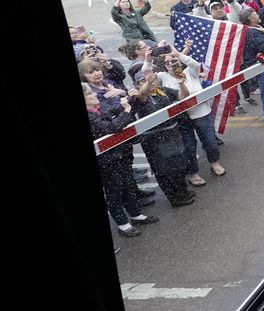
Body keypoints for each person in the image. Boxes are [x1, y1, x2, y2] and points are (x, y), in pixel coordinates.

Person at [83, 83, 159, 237]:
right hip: (106, 161)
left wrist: (129, 100)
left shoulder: (96, 110)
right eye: (90, 94)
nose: (94, 95)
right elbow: (113, 127)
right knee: (114, 192)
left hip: (118, 155)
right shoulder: (90, 116)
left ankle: (135, 215)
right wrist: (127, 110)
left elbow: (113, 111)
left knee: (128, 185)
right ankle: (123, 225)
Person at [154, 42, 226, 185]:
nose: (171, 64)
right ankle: (193, 173)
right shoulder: (162, 76)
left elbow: (194, 64)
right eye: (167, 63)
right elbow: (147, 74)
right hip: (181, 118)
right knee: (188, 146)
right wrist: (149, 60)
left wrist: (177, 53)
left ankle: (215, 163)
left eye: (173, 60)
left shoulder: (190, 72)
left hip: (201, 113)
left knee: (210, 140)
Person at [127, 65, 195, 207]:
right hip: (154, 141)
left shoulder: (162, 91)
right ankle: (175, 198)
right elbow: (142, 94)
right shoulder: (138, 98)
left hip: (172, 135)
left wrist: (182, 84)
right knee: (164, 171)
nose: (152, 83)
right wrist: (147, 81)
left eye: (154, 80)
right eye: (145, 81)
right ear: (138, 84)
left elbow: (183, 95)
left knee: (178, 166)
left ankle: (182, 192)